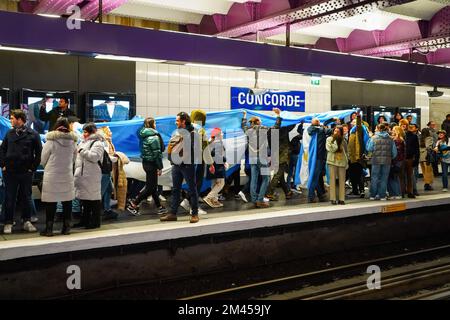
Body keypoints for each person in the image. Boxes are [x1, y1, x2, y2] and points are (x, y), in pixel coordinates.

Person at [0, 110, 42, 234]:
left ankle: (26, 221)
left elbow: (39, 153)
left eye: (13, 118)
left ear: (20, 119)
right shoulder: (9, 133)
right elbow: (2, 150)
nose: (11, 120)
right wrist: (3, 165)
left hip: (26, 171)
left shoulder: (33, 134)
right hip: (10, 171)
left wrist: (32, 168)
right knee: (9, 198)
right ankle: (8, 222)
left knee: (26, 197)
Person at [40, 117, 78, 236]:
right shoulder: (73, 142)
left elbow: (42, 159)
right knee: (67, 202)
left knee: (51, 202)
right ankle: (66, 228)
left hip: (52, 175)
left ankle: (49, 229)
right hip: (66, 174)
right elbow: (74, 159)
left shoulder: (50, 141)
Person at [162, 112, 201, 223]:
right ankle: (173, 214)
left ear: (183, 121)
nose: (176, 122)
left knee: (192, 189)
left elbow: (195, 151)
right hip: (176, 165)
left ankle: (194, 214)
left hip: (187, 165)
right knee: (175, 190)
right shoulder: (177, 133)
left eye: (178, 120)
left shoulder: (193, 133)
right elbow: (171, 146)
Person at [126, 117, 167, 215]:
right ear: (153, 124)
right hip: (152, 164)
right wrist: (160, 167)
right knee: (150, 187)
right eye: (155, 123)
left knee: (152, 186)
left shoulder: (143, 135)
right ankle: (134, 204)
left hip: (146, 162)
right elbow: (157, 153)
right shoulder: (154, 136)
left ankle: (159, 207)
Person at [242, 108, 281, 208]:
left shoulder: (248, 130)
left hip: (252, 158)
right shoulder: (262, 128)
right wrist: (278, 115)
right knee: (266, 179)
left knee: (254, 179)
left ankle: (254, 199)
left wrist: (244, 116)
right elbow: (276, 127)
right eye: (260, 120)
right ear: (258, 122)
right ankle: (260, 200)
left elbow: (243, 126)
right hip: (262, 158)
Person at [73, 123, 104, 229]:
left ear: (91, 132)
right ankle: (84, 220)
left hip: (92, 174)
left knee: (93, 199)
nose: (84, 134)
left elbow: (94, 157)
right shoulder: (82, 142)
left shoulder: (98, 143)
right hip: (83, 174)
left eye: (86, 132)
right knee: (84, 199)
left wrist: (82, 151)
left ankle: (95, 222)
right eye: (83, 131)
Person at [366, 123, 397, 201]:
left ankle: (373, 195)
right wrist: (390, 158)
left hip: (376, 160)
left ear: (378, 129)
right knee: (384, 178)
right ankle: (382, 196)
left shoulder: (373, 138)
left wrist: (369, 139)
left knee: (374, 178)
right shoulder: (390, 139)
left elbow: (369, 149)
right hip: (387, 161)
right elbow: (394, 153)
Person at [307, 118, 334, 203]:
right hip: (317, 157)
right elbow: (328, 130)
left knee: (318, 177)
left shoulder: (318, 129)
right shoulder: (317, 130)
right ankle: (311, 196)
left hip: (319, 157)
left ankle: (320, 194)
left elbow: (326, 128)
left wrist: (331, 120)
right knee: (315, 177)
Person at [99, 126, 120, 220]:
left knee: (108, 190)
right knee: (101, 192)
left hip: (106, 169)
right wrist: (115, 158)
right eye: (109, 129)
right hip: (104, 170)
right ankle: (96, 211)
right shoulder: (104, 142)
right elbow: (105, 156)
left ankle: (107, 209)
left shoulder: (107, 141)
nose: (110, 131)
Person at [203, 128, 227, 208]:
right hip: (217, 166)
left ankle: (214, 200)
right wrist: (225, 160)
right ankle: (209, 197)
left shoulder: (210, 143)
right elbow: (218, 156)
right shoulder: (218, 143)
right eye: (221, 133)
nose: (222, 135)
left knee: (214, 184)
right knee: (220, 183)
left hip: (211, 166)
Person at [326, 126, 348, 205]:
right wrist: (336, 141)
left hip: (342, 161)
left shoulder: (343, 140)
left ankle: (342, 199)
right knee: (332, 180)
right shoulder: (329, 139)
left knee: (342, 181)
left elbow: (346, 151)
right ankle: (333, 198)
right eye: (335, 131)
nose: (336, 133)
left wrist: (347, 161)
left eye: (338, 131)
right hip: (332, 161)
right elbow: (331, 149)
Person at [388, 126, 406, 200]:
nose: (392, 131)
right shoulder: (401, 140)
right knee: (395, 177)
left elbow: (396, 153)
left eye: (393, 130)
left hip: (396, 161)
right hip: (400, 161)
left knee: (393, 178)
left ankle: (396, 194)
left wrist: (393, 161)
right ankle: (397, 194)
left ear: (397, 131)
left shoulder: (397, 140)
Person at [404, 124, 420, 198]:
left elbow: (416, 149)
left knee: (410, 175)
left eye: (405, 125)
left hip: (409, 158)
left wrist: (416, 159)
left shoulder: (413, 136)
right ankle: (404, 191)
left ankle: (413, 190)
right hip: (402, 158)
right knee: (404, 176)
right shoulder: (400, 135)